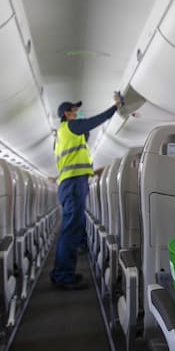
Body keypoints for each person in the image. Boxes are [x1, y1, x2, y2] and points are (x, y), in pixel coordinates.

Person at [50, 93, 122, 290]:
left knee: (72, 228)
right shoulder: (70, 127)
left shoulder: (64, 134)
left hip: (72, 183)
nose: (78, 114)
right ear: (67, 114)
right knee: (71, 229)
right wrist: (116, 107)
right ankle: (63, 275)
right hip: (73, 183)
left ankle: (63, 272)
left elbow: (86, 132)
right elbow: (93, 122)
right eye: (75, 111)